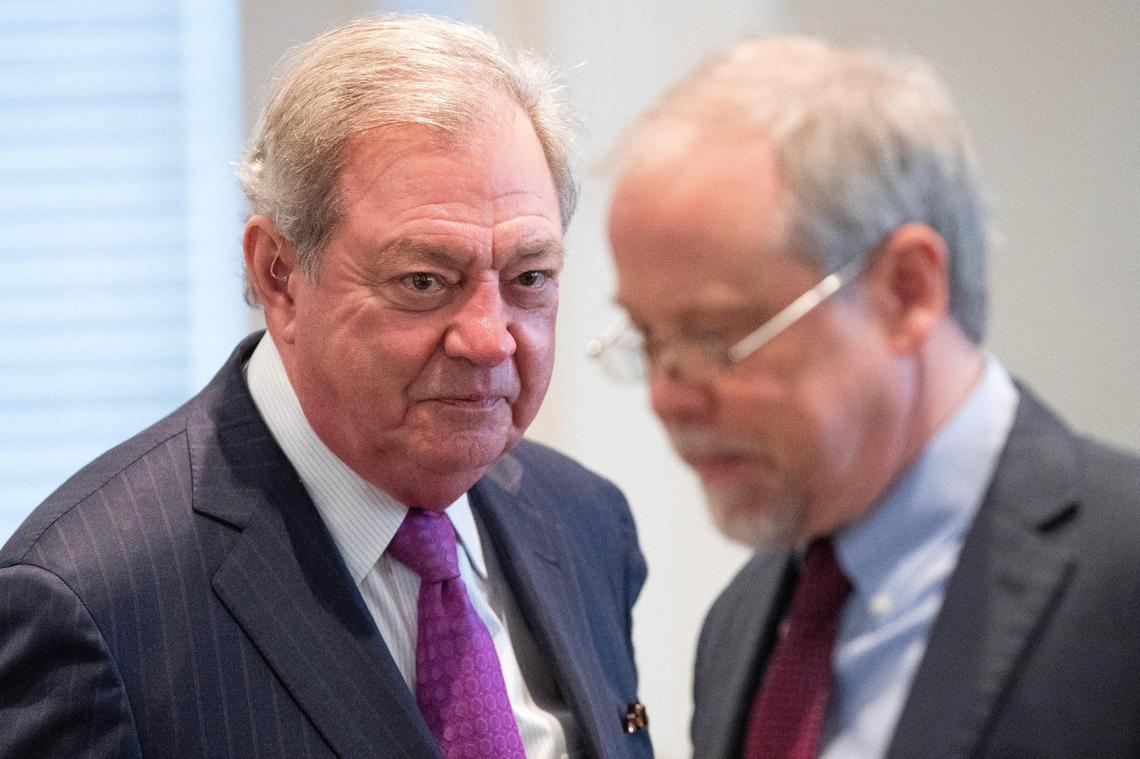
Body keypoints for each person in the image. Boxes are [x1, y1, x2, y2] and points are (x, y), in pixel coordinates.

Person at [0, 16, 652, 759]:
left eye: (529, 278)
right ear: (278, 273)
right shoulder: (91, 604)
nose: (489, 338)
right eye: (424, 281)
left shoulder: (586, 524)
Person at [600, 35, 1140, 759]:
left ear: (906, 290)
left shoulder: (1119, 572)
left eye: (714, 334)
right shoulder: (742, 624)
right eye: (647, 338)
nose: (668, 396)